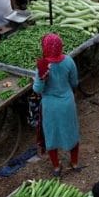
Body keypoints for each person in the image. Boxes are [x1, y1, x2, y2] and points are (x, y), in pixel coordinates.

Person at [33, 33, 82, 177]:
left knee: (51, 134)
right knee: (71, 131)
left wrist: (42, 79)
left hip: (50, 105)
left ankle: (56, 166)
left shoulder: (42, 66)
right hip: (67, 103)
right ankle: (74, 163)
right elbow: (74, 82)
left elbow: (37, 90)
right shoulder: (68, 61)